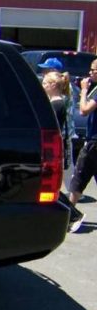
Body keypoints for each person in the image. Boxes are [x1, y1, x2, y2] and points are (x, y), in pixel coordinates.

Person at [41, 64, 85, 230]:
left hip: (54, 150)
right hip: (56, 148)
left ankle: (73, 215)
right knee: (52, 187)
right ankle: (71, 215)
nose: (43, 86)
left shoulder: (57, 104)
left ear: (53, 86)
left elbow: (54, 128)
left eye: (45, 83)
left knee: (51, 187)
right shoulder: (56, 102)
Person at [67, 58, 97, 232]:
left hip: (94, 142)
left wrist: (84, 91)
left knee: (79, 177)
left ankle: (70, 215)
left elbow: (84, 110)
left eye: (93, 71)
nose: (90, 73)